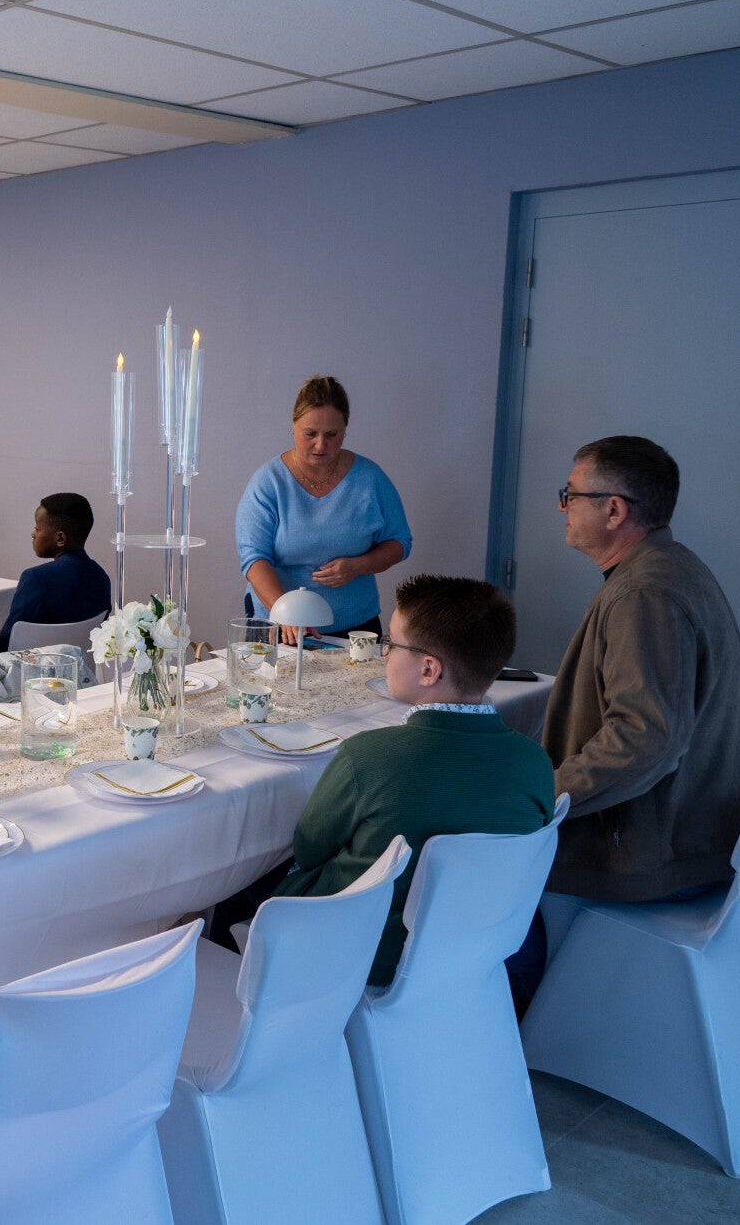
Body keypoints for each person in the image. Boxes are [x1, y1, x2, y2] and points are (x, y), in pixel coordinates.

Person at [510, 436, 740, 997]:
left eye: (570, 494)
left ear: (614, 510)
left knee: (476, 875)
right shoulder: (672, 567)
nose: (560, 506)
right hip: (693, 832)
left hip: (657, 853)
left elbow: (644, 739)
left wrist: (541, 799)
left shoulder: (643, 595)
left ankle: (518, 1020)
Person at [254, 576, 556, 984]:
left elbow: (308, 851)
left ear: (429, 669)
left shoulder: (367, 756)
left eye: (391, 644)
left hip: (363, 956)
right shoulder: (536, 763)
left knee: (246, 884)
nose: (384, 654)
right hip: (474, 953)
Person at [235, 377, 411, 640]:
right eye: (310, 434)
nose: (320, 445)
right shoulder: (268, 483)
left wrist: (358, 566)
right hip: (280, 624)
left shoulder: (370, 479)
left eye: (331, 435)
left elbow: (399, 542)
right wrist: (286, 613)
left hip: (355, 628)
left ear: (345, 431)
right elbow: (253, 558)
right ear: (293, 426)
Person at [0, 492, 111, 652]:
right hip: (77, 664)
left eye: (37, 528)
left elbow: (4, 651)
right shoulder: (101, 577)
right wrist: (5, 635)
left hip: (36, 666)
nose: (33, 534)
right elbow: (66, 635)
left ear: (60, 538)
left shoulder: (36, 579)